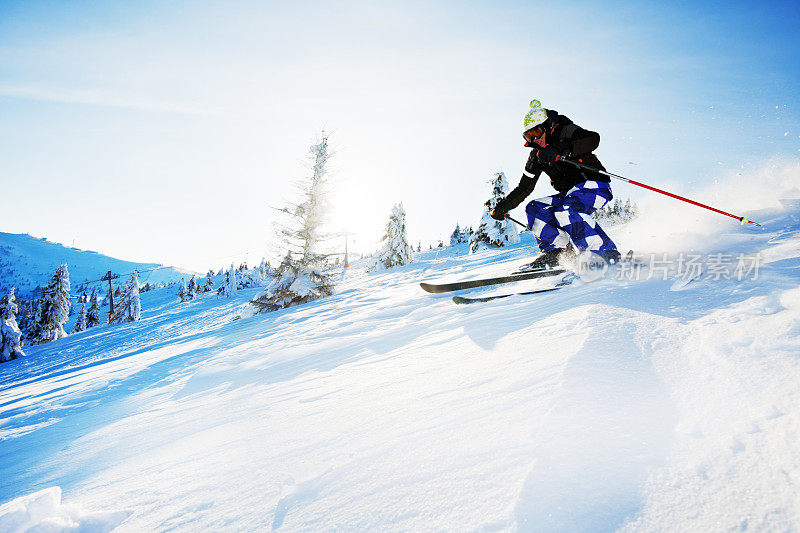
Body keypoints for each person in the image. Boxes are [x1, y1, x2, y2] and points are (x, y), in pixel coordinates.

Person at [491, 99, 620, 269]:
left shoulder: (566, 131)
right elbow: (525, 187)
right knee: (535, 208)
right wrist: (504, 206)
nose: (535, 139)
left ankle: (602, 253)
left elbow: (593, 139)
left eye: (536, 132)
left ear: (547, 126)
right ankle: (557, 254)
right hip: (569, 194)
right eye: (529, 136)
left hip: (595, 186)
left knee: (566, 210)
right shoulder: (537, 156)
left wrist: (563, 149)